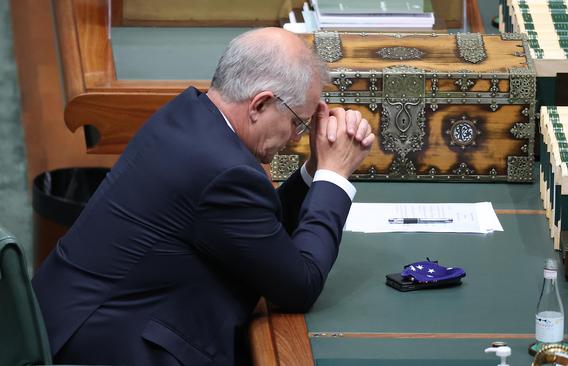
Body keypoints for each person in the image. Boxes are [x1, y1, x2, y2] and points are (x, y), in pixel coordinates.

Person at [32, 27, 374, 366]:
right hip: (105, 349)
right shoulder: (224, 172)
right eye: (297, 122)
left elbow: (255, 230)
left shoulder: (189, 114)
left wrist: (314, 169)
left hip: (67, 320)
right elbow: (300, 285)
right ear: (260, 104)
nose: (296, 137)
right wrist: (334, 176)